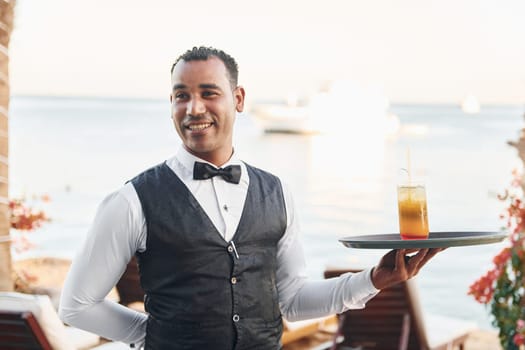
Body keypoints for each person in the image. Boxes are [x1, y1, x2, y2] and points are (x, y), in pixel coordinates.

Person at [59, 46, 442, 349]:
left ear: (238, 98)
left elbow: (291, 300)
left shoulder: (277, 193)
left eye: (209, 93)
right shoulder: (130, 201)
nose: (194, 109)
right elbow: (76, 304)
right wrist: (151, 336)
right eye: (181, 96)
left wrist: (374, 279)